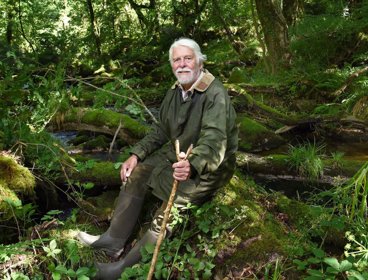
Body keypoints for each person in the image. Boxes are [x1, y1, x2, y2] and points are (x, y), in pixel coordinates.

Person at [77, 38, 238, 279]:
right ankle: (112, 240)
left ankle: (121, 269)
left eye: (187, 58)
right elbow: (161, 130)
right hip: (175, 155)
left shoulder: (215, 94)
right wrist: (136, 154)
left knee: (166, 214)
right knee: (138, 173)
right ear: (172, 65)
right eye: (177, 60)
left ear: (199, 61)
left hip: (208, 167)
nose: (182, 64)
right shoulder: (175, 91)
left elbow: (215, 141)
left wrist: (192, 166)